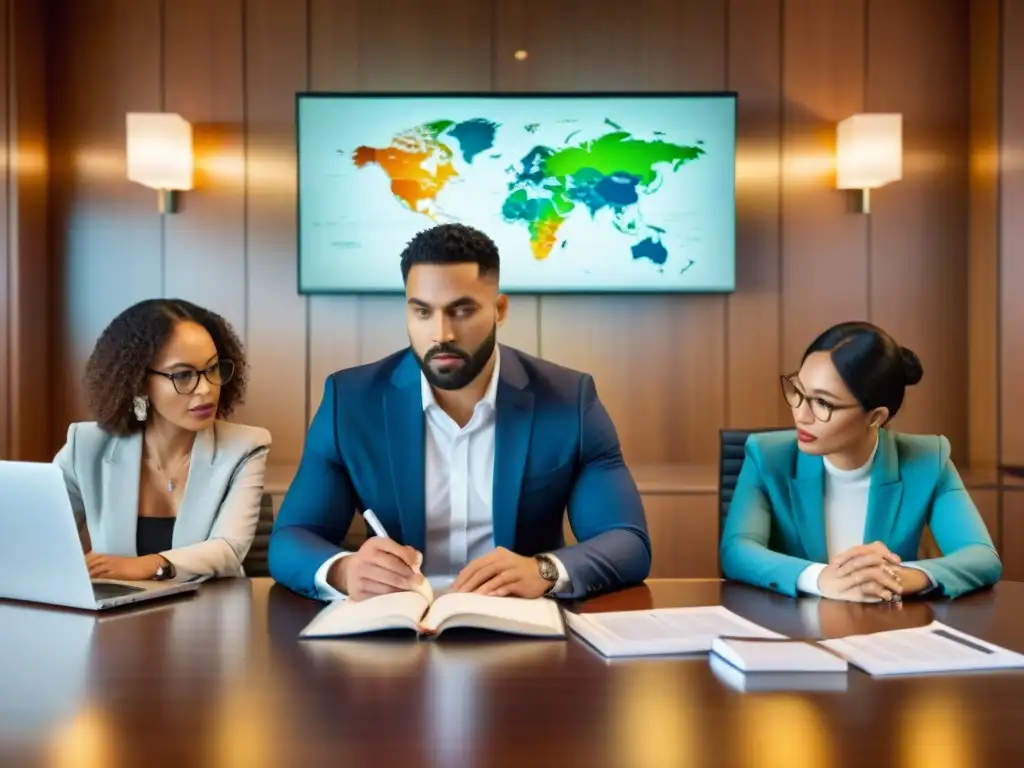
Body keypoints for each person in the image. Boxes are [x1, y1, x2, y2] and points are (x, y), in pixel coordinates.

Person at [270, 223, 651, 601]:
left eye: (462, 310)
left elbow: (627, 541)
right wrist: (345, 570)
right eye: (423, 312)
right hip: (397, 621)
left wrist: (544, 570)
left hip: (522, 619)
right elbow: (291, 539)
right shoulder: (351, 401)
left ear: (499, 310)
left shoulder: (569, 399)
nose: (442, 334)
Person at [720, 321, 1001, 602]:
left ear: (876, 417)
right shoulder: (767, 456)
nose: (801, 415)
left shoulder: (927, 460)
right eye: (798, 391)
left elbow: (982, 557)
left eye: (823, 403)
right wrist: (821, 578)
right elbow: (737, 550)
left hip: (886, 623)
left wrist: (902, 576)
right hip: (791, 623)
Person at [53, 299, 272, 582]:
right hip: (117, 608)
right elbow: (41, 534)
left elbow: (229, 548)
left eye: (212, 369)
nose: (206, 389)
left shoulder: (244, 447)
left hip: (211, 605)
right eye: (183, 375)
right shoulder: (85, 447)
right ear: (139, 382)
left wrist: (149, 565)